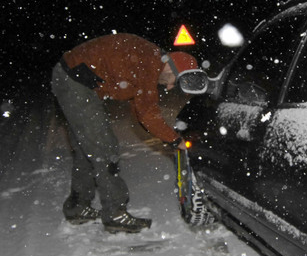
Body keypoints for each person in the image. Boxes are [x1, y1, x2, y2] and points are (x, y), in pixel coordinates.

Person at [50, 33, 199, 233]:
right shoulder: (149, 63)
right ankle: (114, 214)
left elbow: (139, 107)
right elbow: (148, 113)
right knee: (104, 147)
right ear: (171, 67)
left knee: (87, 148)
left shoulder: (148, 60)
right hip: (75, 80)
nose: (169, 86)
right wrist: (174, 139)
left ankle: (77, 207)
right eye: (174, 80)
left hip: (72, 77)